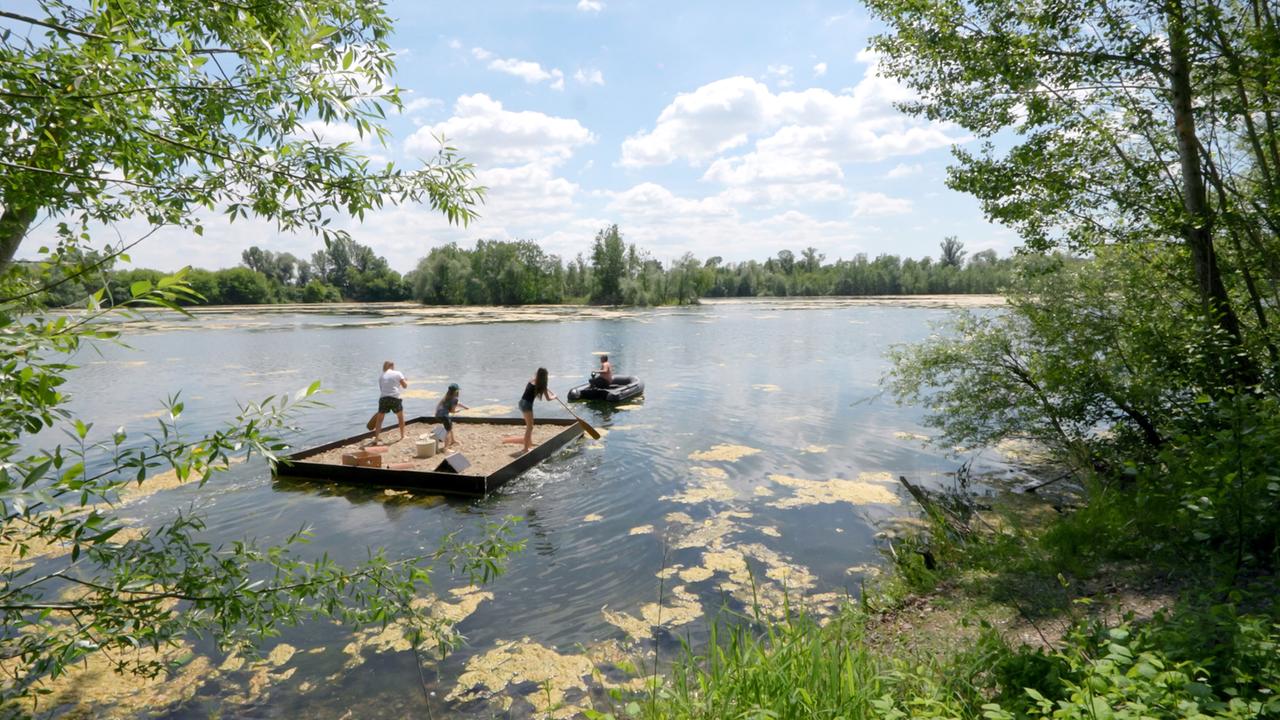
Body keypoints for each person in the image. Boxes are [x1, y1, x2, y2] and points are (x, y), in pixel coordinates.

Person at [515, 367, 555, 453]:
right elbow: (548, 399)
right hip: (527, 405)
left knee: (529, 426)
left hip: (521, 402)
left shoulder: (532, 380)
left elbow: (529, 389)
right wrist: (554, 396)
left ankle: (529, 444)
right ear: (545, 377)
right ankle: (525, 449)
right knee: (530, 427)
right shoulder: (543, 386)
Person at [372, 360, 407, 444]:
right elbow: (405, 386)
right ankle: (402, 436)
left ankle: (376, 438)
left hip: (383, 398)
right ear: (392, 366)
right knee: (400, 417)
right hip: (395, 398)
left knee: (379, 419)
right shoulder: (398, 373)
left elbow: (382, 389)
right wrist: (404, 380)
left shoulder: (381, 376)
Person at [435, 383, 469, 449]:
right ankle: (446, 448)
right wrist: (458, 410)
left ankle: (453, 441)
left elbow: (455, 404)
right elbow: (452, 411)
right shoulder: (455, 399)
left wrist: (464, 407)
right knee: (448, 431)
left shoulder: (446, 397)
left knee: (449, 427)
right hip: (444, 416)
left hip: (438, 414)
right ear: (456, 391)